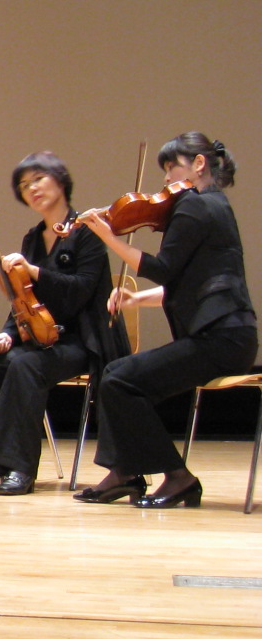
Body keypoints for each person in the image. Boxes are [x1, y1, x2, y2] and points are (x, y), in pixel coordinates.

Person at [77, 133, 256, 508]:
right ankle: (124, 473)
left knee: (121, 379)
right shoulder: (215, 205)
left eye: (171, 167)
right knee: (116, 375)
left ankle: (177, 478)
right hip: (230, 338)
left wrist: (109, 236)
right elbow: (189, 283)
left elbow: (161, 269)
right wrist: (135, 298)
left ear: (199, 164)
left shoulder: (195, 207)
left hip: (219, 340)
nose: (165, 181)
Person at [0, 154, 126, 495]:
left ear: (60, 180)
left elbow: (79, 292)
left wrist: (34, 270)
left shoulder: (88, 231)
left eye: (38, 179)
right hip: (43, 336)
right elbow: (24, 300)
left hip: (85, 339)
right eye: (24, 185)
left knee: (25, 366)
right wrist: (6, 333)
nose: (31, 189)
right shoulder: (33, 239)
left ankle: (21, 467)